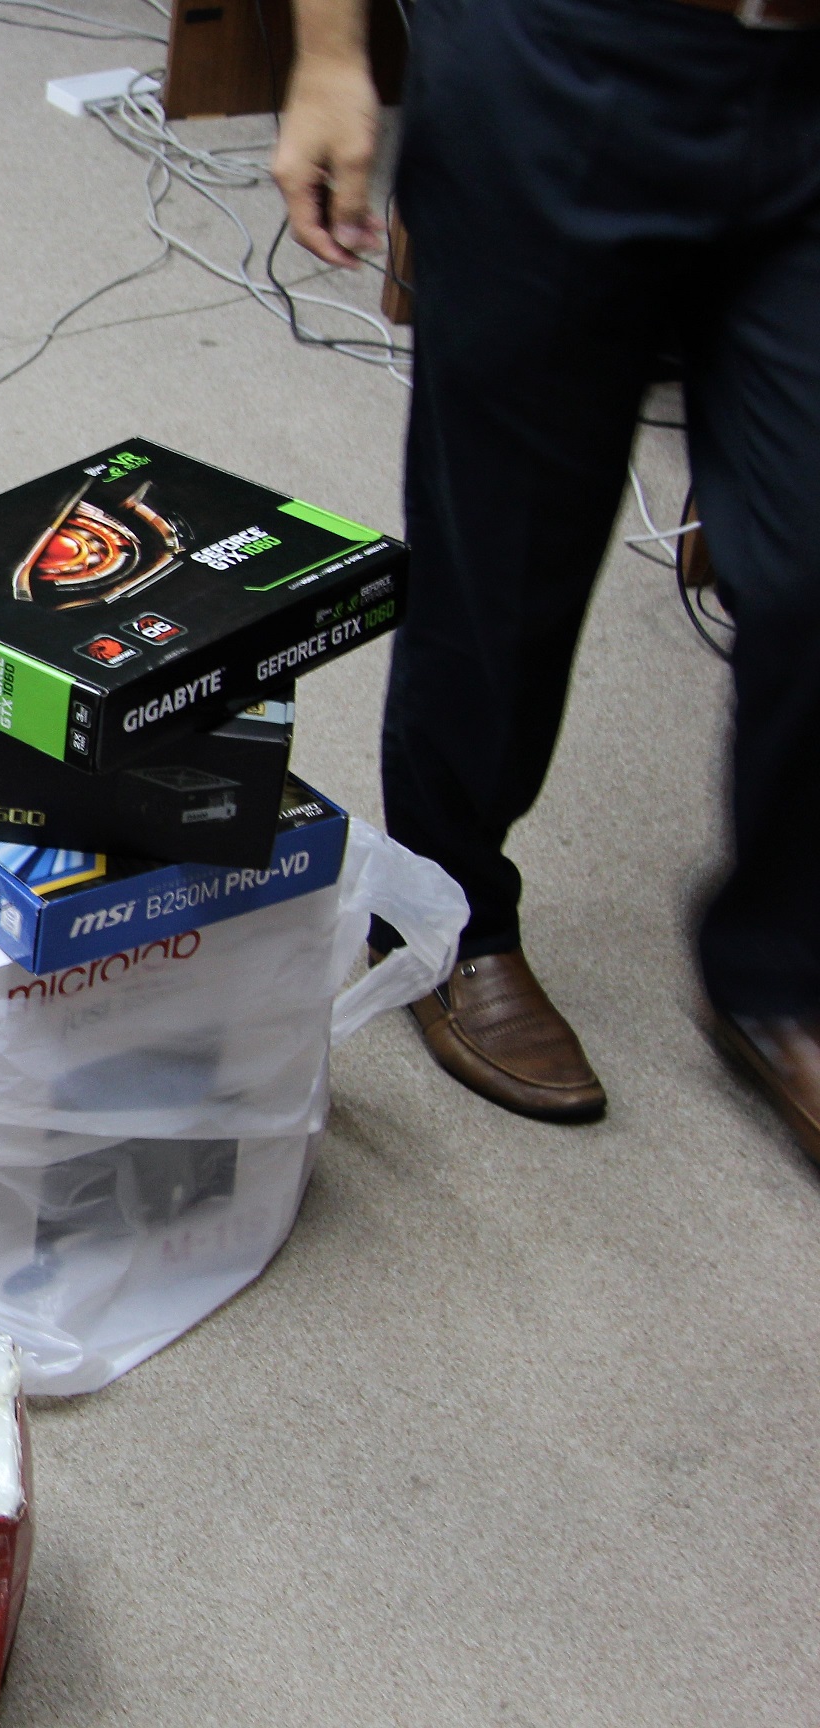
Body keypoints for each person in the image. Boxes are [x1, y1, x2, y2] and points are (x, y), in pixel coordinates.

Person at [271, 0, 819, 1157]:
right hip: (566, 60)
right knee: (508, 553)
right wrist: (328, 55)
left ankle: (784, 966)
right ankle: (449, 917)